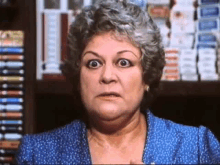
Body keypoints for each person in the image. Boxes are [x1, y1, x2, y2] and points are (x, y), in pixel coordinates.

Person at [16, 0, 220, 164]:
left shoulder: (197, 148)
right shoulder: (37, 154)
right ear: (78, 77)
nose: (107, 76)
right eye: (94, 63)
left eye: (123, 62)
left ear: (147, 76)